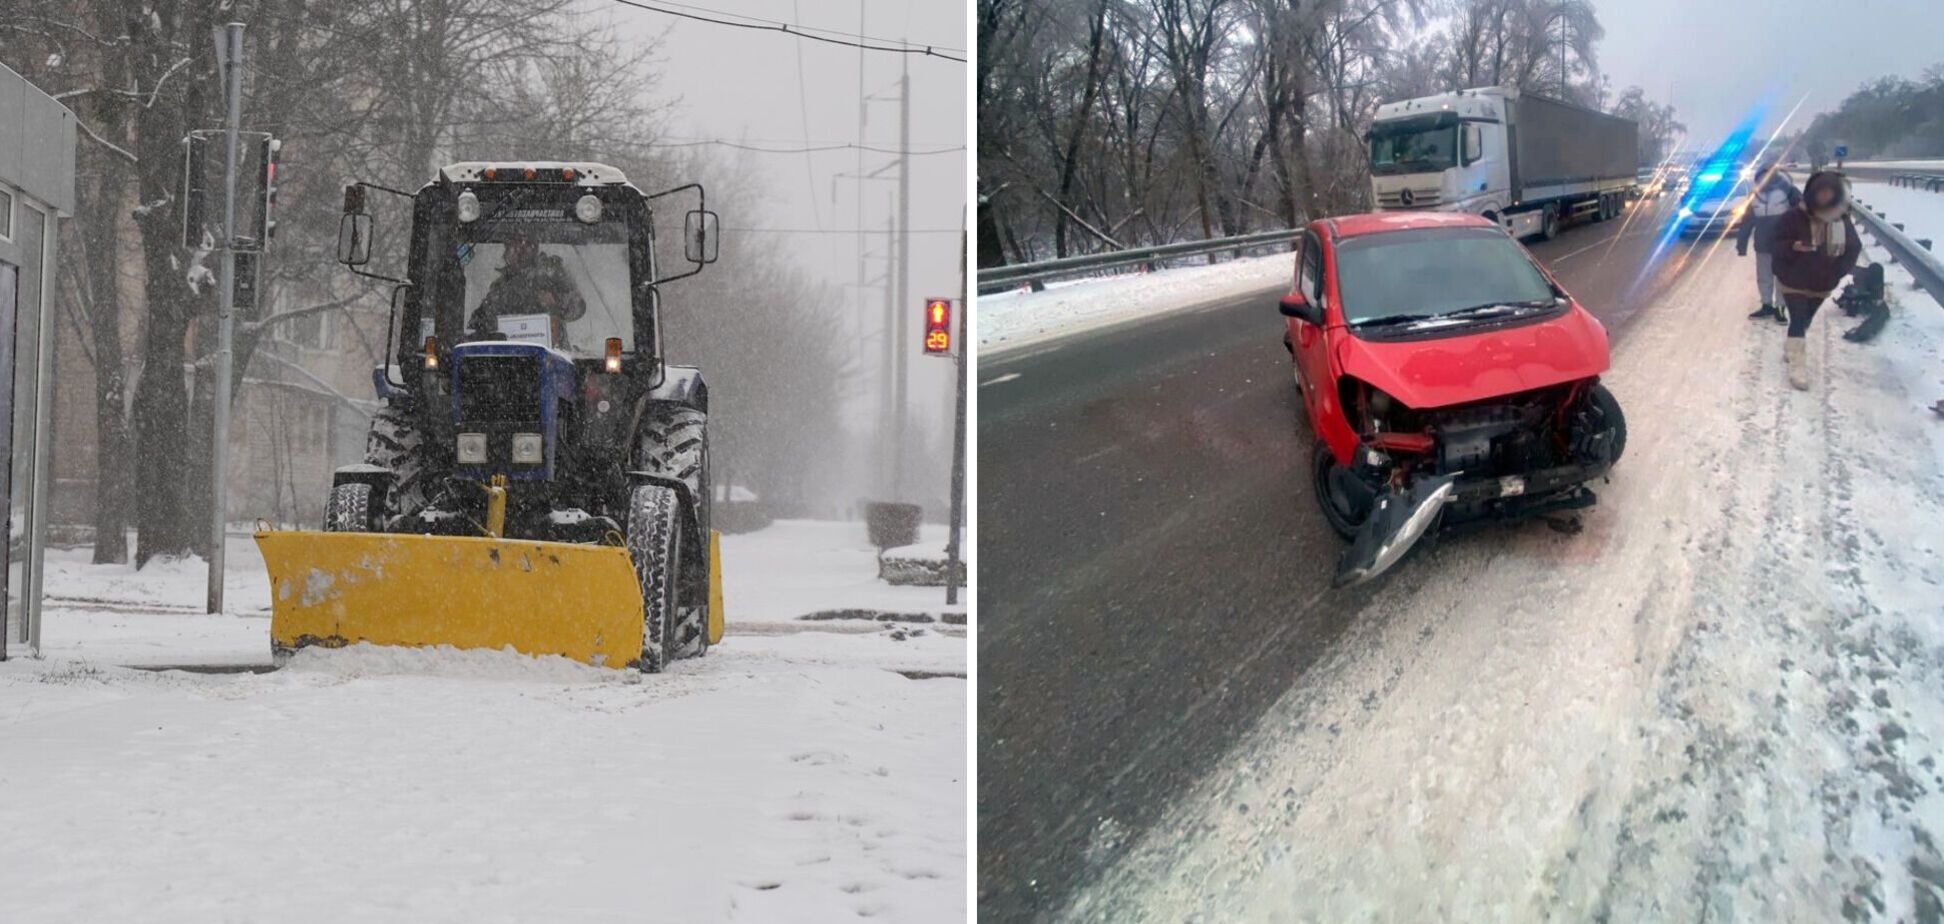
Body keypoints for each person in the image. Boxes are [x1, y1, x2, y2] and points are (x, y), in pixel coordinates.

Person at [1769, 171, 1861, 391]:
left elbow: (1854, 248)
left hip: (1822, 282)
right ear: (1812, 193)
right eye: (1820, 192)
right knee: (1799, 319)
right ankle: (1797, 368)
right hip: (1793, 278)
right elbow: (1775, 244)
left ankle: (1792, 347)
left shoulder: (1841, 219)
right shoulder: (1793, 217)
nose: (1824, 197)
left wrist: (1838, 272)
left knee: (1806, 319)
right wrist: (1793, 247)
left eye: (1829, 193)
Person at [467, 232, 586, 346]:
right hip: (510, 357)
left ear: (535, 249)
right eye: (515, 244)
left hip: (552, 355)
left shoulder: (551, 272)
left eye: (527, 244)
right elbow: (479, 321)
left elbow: (578, 306)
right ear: (506, 250)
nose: (520, 250)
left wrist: (555, 304)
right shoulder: (500, 286)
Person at [1736, 161, 1799, 323]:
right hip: (1763, 244)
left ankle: (1780, 308)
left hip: (1784, 244)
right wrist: (1741, 243)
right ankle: (1767, 305)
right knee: (1765, 277)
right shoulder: (1754, 195)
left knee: (1782, 277)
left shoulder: (1789, 191)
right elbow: (1747, 220)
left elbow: (1802, 214)